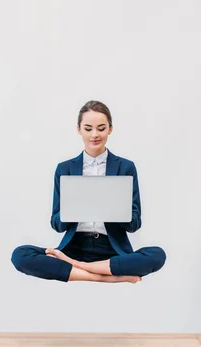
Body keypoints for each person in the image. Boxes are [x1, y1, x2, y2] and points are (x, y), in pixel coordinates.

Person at [11, 100, 166, 283]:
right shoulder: (65, 169)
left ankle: (81, 268)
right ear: (78, 129)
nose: (95, 134)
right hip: (74, 246)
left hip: (112, 250)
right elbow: (56, 224)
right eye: (88, 128)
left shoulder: (125, 167)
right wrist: (73, 210)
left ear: (110, 129)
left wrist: (116, 209)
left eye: (101, 128)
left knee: (157, 255)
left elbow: (135, 224)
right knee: (20, 255)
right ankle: (107, 277)